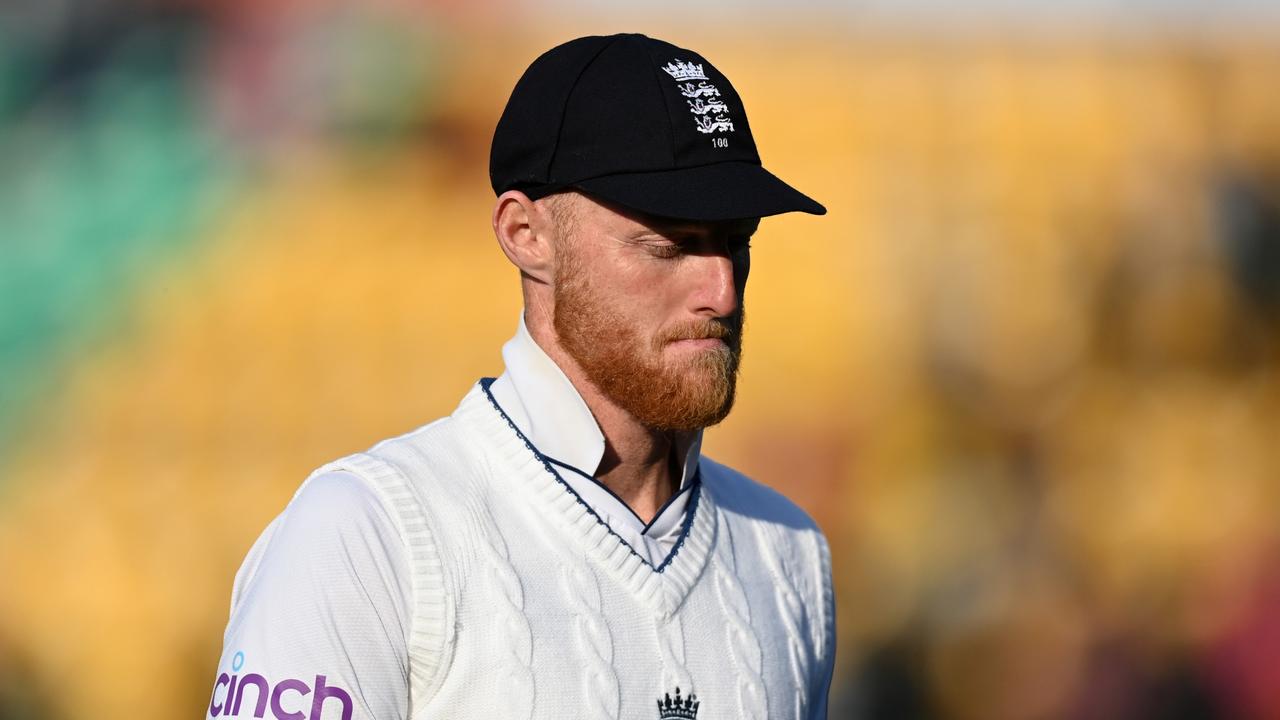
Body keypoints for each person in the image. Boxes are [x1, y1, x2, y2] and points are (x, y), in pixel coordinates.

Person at [206, 33, 834, 720]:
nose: (723, 290)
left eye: (737, 243)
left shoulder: (789, 556)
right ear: (525, 234)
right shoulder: (369, 534)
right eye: (670, 245)